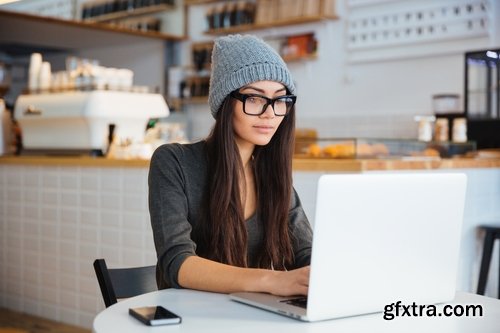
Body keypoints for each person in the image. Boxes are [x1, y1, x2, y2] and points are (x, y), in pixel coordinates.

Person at [149, 34, 312, 297]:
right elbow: (177, 263)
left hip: (249, 316)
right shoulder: (173, 162)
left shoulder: (272, 176)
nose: (270, 112)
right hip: (188, 317)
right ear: (226, 103)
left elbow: (304, 253)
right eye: (255, 98)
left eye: (280, 100)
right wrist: (270, 281)